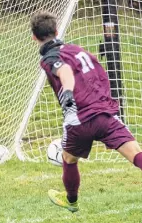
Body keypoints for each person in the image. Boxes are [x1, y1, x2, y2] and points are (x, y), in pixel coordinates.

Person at [30, 11, 142, 212]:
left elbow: (64, 72)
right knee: (135, 153)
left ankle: (71, 200)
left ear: (34, 37)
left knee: (69, 159)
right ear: (56, 31)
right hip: (105, 115)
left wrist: (69, 93)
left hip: (79, 118)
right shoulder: (78, 50)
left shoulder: (50, 57)